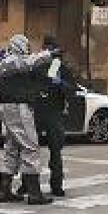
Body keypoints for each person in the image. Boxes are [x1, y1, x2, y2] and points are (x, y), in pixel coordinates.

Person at [0, 34, 54, 205]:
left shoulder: (14, 63)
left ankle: (4, 190)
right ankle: (34, 192)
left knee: (12, 147)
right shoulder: (11, 61)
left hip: (17, 106)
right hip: (20, 107)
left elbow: (45, 77)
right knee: (31, 147)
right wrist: (49, 55)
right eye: (27, 46)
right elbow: (31, 64)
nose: (29, 49)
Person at [32, 35, 77, 198]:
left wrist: (60, 83)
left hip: (51, 111)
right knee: (33, 150)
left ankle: (55, 184)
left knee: (54, 151)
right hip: (41, 110)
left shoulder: (56, 64)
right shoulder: (37, 63)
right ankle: (29, 184)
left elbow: (70, 89)